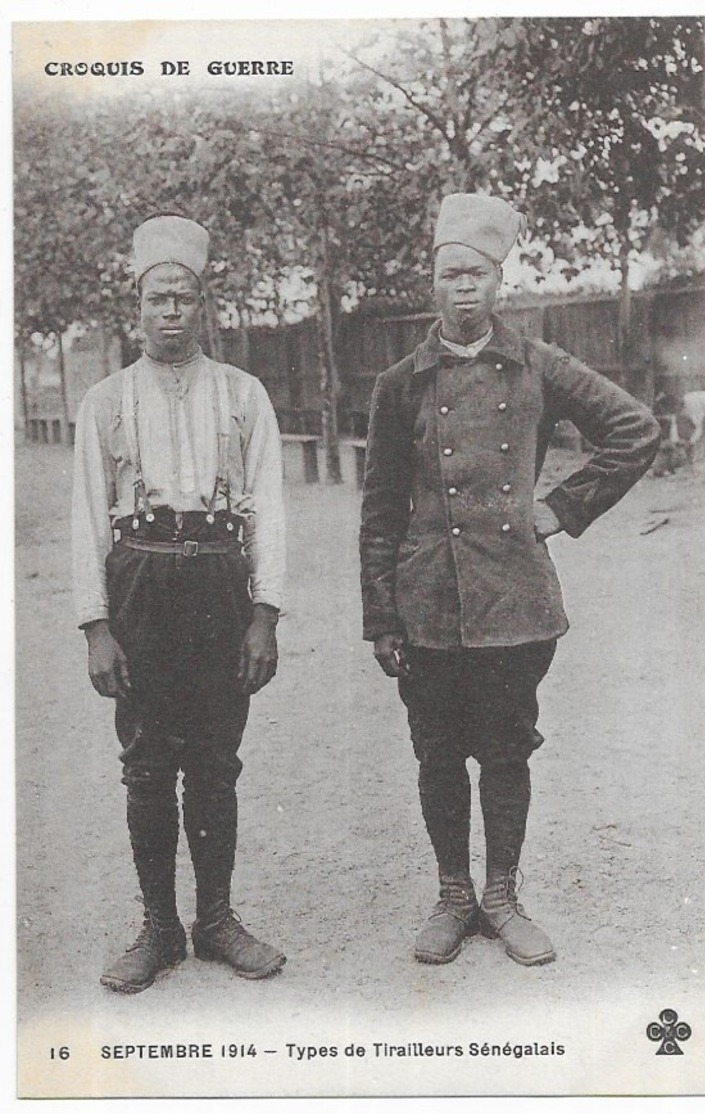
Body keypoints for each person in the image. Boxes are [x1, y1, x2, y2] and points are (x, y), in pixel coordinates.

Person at [359, 193, 661, 968]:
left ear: (500, 282)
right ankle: (453, 895)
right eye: (449, 273)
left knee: (505, 751)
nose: (463, 287)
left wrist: (561, 508)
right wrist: (380, 617)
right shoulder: (399, 383)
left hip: (514, 604)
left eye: (478, 273)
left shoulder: (537, 364)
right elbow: (381, 508)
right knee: (435, 753)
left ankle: (501, 895)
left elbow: (634, 430)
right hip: (427, 602)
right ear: (430, 285)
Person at [73, 214, 286, 992]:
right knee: (146, 765)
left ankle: (218, 920)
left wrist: (266, 614)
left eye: (184, 297)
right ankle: (158, 927)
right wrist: (96, 626)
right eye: (157, 297)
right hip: (140, 585)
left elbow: (269, 506)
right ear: (136, 307)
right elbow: (85, 517)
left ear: (204, 307)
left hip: (220, 585)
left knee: (217, 763)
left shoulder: (242, 394)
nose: (170, 311)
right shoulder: (105, 400)